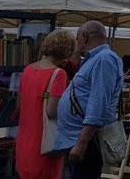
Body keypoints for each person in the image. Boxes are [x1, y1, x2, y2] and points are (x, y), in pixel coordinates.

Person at [55, 21, 123, 178]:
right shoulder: (95, 59)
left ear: (84, 36)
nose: (77, 41)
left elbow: (99, 103)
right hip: (80, 137)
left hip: (88, 140)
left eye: (78, 37)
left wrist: (82, 142)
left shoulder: (103, 59)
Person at [16, 30, 76, 179]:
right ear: (67, 51)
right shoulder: (59, 74)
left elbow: (19, 105)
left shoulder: (28, 70)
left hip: (24, 142)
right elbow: (51, 111)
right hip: (44, 144)